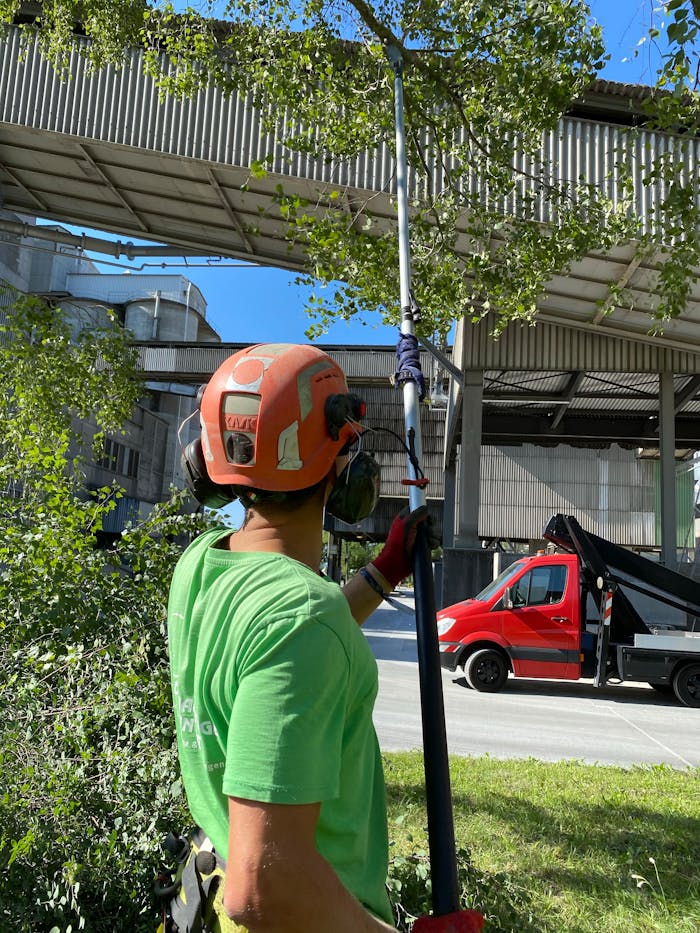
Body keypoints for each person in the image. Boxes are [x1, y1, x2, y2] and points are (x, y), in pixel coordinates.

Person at [167, 343, 427, 933]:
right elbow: (266, 888)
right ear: (345, 467)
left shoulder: (201, 565)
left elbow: (278, 645)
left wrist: (383, 573)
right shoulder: (303, 620)